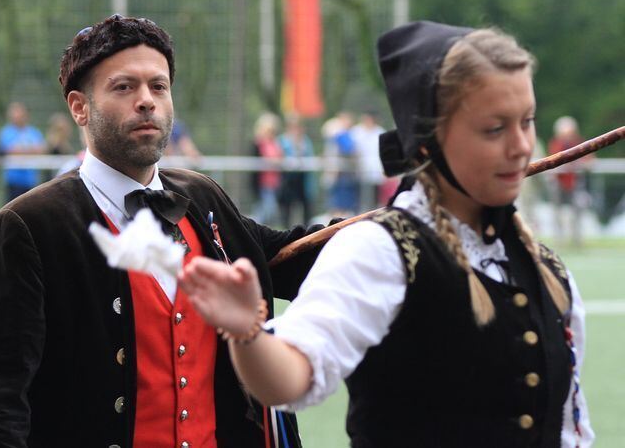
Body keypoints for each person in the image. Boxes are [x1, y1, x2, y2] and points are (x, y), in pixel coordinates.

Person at [179, 22, 594, 447]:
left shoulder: (546, 268)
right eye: (495, 128)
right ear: (431, 140)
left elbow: (569, 430)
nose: (522, 145)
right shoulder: (380, 249)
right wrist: (248, 333)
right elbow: (288, 378)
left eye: (526, 122)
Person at [0, 15, 320, 448]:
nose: (146, 101)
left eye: (158, 86)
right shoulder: (29, 226)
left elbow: (298, 257)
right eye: (124, 87)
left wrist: (398, 220)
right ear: (79, 106)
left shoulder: (203, 197)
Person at [548, 116, 590, 246]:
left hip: (575, 182)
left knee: (577, 211)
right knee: (557, 212)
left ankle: (577, 239)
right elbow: (552, 159)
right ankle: (559, 239)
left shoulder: (579, 143)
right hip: (558, 182)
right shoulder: (555, 143)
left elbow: (589, 159)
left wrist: (581, 165)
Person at [0, 101, 46, 200]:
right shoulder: (6, 132)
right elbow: (9, 150)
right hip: (13, 181)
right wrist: (30, 150)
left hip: (30, 181)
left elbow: (41, 149)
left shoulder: (34, 132)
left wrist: (21, 150)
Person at [278, 113, 315, 228]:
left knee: (305, 206)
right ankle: (286, 229)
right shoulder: (282, 140)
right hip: (287, 179)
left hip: (303, 179)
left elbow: (310, 156)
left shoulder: (306, 141)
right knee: (287, 207)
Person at [250, 112, 284, 225]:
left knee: (265, 209)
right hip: (263, 182)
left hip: (274, 182)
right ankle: (253, 227)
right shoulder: (258, 143)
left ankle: (253, 227)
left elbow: (280, 157)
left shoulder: (275, 143)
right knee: (268, 208)